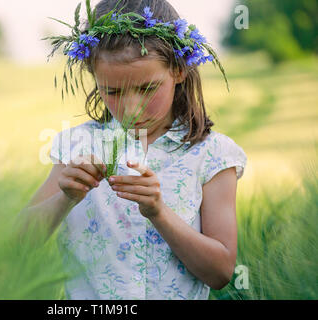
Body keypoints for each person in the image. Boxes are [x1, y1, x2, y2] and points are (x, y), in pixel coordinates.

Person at [18, 0, 247, 299]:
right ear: (94, 76)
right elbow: (17, 246)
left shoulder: (212, 154)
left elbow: (220, 273)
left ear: (178, 70)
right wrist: (65, 198)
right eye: (112, 91)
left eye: (147, 88)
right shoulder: (76, 148)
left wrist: (159, 212)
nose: (130, 107)